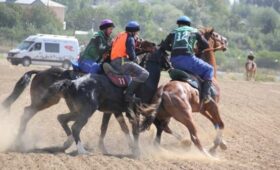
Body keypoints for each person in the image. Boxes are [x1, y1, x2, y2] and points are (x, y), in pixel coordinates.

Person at [161, 16, 214, 103]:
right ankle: (206, 95)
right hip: (188, 60)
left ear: (178, 25)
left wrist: (174, 49)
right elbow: (206, 45)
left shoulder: (173, 32)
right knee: (209, 69)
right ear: (189, 24)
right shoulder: (194, 31)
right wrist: (197, 49)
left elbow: (165, 46)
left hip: (173, 61)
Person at [110, 21, 149, 106]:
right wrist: (136, 59)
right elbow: (131, 54)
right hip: (122, 62)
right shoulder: (130, 38)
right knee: (145, 73)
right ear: (134, 31)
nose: (137, 34)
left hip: (113, 61)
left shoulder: (120, 35)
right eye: (137, 32)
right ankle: (129, 95)